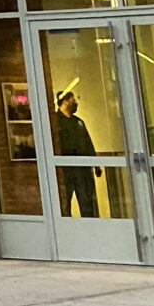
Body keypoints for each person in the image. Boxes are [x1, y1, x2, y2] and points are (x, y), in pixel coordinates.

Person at [50, 89, 100, 217]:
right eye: (73, 101)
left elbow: (88, 143)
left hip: (81, 170)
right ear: (65, 101)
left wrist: (96, 165)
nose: (75, 103)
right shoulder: (55, 122)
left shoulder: (78, 122)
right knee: (65, 204)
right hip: (65, 169)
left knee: (86, 202)